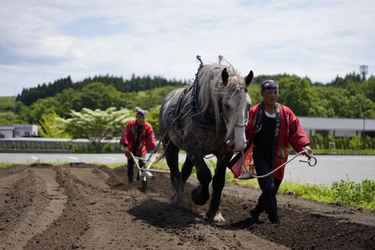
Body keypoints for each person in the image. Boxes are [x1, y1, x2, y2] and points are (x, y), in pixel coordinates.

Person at [245, 80, 313, 225]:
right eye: (269, 92)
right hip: (260, 155)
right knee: (268, 187)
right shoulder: (254, 112)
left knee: (272, 190)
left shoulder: (286, 113)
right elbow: (244, 131)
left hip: (279, 156)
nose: (273, 95)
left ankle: (256, 211)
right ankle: (274, 218)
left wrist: (305, 146)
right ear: (262, 94)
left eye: (275, 92)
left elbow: (297, 131)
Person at [119, 109, 156, 183]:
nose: (141, 119)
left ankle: (140, 180)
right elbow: (125, 134)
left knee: (142, 164)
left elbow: (151, 138)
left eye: (143, 118)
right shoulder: (131, 124)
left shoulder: (147, 126)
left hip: (141, 147)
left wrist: (154, 149)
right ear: (136, 117)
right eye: (139, 117)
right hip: (131, 147)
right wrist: (125, 146)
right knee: (130, 165)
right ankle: (131, 181)